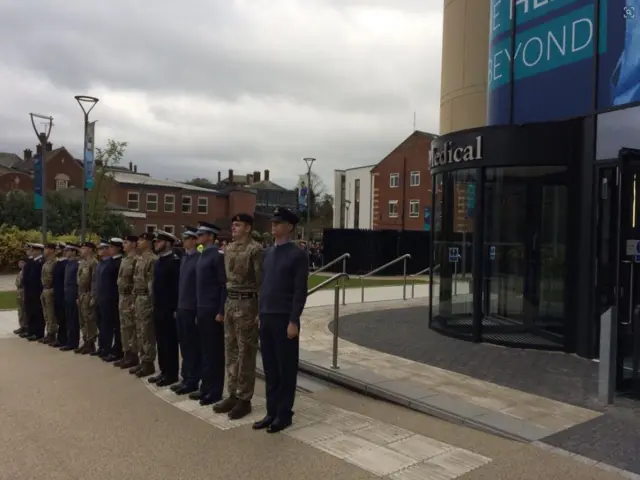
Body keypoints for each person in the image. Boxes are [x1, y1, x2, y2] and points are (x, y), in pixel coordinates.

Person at [253, 207, 308, 433]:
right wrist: (259, 312)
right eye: (272, 222)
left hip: (285, 318)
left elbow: (299, 291)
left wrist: (294, 320)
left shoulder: (297, 254)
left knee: (285, 368)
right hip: (266, 316)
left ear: (290, 227)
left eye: (278, 223)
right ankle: (271, 411)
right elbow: (264, 286)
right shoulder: (267, 253)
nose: (273, 226)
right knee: (270, 368)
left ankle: (284, 413)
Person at [214, 213, 263, 420]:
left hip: (247, 303)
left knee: (246, 352)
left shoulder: (256, 249)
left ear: (248, 228)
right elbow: (226, 280)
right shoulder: (229, 249)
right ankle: (232, 393)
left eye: (238, 225)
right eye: (233, 224)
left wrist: (260, 310)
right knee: (231, 349)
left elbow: (261, 281)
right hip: (231, 302)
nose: (234, 228)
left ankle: (245, 398)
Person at [193, 221, 226, 405]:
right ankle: (205, 387)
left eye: (202, 234)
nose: (198, 236)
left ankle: (215, 390)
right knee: (205, 350)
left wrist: (221, 310)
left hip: (213, 310)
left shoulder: (217, 255)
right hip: (202, 308)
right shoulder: (202, 255)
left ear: (211, 236)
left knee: (215, 352)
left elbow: (223, 285)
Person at [148, 230, 180, 386]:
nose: (156, 244)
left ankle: (171, 373)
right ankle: (163, 370)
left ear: (167, 243)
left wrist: (175, 308)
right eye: (155, 242)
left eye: (159, 242)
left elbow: (176, 287)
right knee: (160, 341)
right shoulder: (159, 261)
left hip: (169, 308)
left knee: (169, 342)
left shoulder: (174, 261)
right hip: (158, 307)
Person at [172, 226, 202, 396]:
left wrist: (197, 309)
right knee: (184, 344)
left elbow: (198, 287)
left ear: (194, 240)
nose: (184, 241)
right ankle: (185, 377)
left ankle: (193, 380)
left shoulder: (198, 258)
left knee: (192, 345)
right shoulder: (184, 258)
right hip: (182, 307)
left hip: (192, 307)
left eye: (187, 238)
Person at [130, 232, 157, 378]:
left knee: (147, 332)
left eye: (142, 240)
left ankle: (149, 362)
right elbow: (135, 281)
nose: (139, 242)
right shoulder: (139, 259)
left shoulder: (152, 259)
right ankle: (142, 360)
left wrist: (151, 303)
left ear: (148, 242)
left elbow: (151, 284)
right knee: (139, 331)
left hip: (146, 298)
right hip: (138, 297)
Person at [114, 235, 139, 369]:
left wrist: (133, 300)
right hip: (122, 296)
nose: (124, 245)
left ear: (134, 244)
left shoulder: (136, 260)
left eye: (126, 242)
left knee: (131, 328)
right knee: (124, 327)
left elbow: (136, 281)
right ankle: (127, 354)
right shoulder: (125, 260)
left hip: (130, 297)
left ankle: (134, 355)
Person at [101, 238, 124, 362]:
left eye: (111, 247)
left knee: (117, 326)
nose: (109, 249)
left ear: (117, 248)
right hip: (106, 297)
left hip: (114, 298)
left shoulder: (119, 262)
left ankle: (117, 351)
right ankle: (107, 348)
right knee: (107, 325)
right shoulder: (109, 262)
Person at [76, 241, 98, 354]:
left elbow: (94, 281)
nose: (81, 250)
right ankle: (85, 341)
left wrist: (93, 297)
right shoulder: (82, 263)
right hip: (81, 294)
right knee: (82, 320)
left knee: (89, 320)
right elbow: (79, 281)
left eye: (83, 248)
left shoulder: (93, 263)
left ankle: (91, 343)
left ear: (90, 249)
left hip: (88, 294)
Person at [60, 243, 81, 352]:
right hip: (67, 294)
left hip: (73, 294)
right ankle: (69, 340)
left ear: (74, 251)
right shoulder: (68, 264)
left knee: (73, 319)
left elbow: (78, 282)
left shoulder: (77, 264)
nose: (65, 252)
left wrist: (77, 295)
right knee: (68, 318)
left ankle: (73, 342)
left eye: (68, 250)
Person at [93, 240, 111, 357]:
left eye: (101, 249)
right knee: (99, 324)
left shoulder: (111, 263)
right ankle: (101, 346)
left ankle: (107, 348)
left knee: (107, 325)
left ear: (106, 250)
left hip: (107, 298)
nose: (99, 251)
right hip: (99, 297)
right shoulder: (100, 263)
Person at [24, 243, 45, 341]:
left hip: (37, 290)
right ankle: (31, 330)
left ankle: (38, 332)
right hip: (30, 291)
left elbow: (39, 278)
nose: (32, 251)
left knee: (37, 312)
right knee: (30, 311)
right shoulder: (33, 261)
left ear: (39, 251)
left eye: (34, 250)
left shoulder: (41, 262)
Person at [39, 243, 59, 344]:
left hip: (51, 289)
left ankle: (52, 333)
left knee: (51, 314)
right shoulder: (46, 263)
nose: (44, 251)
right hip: (45, 289)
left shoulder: (55, 262)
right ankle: (49, 332)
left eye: (47, 249)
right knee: (46, 313)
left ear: (52, 250)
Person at [50, 242, 68, 348]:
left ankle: (63, 339)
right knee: (59, 317)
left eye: (59, 249)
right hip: (57, 293)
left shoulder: (65, 264)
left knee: (64, 318)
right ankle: (60, 338)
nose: (57, 251)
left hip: (63, 294)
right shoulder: (59, 263)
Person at [13, 257, 27, 336]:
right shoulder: (21, 272)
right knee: (20, 310)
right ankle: (21, 325)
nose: (19, 264)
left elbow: (21, 282)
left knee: (23, 310)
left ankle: (25, 326)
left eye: (21, 262)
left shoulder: (25, 272)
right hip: (19, 291)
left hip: (22, 291)